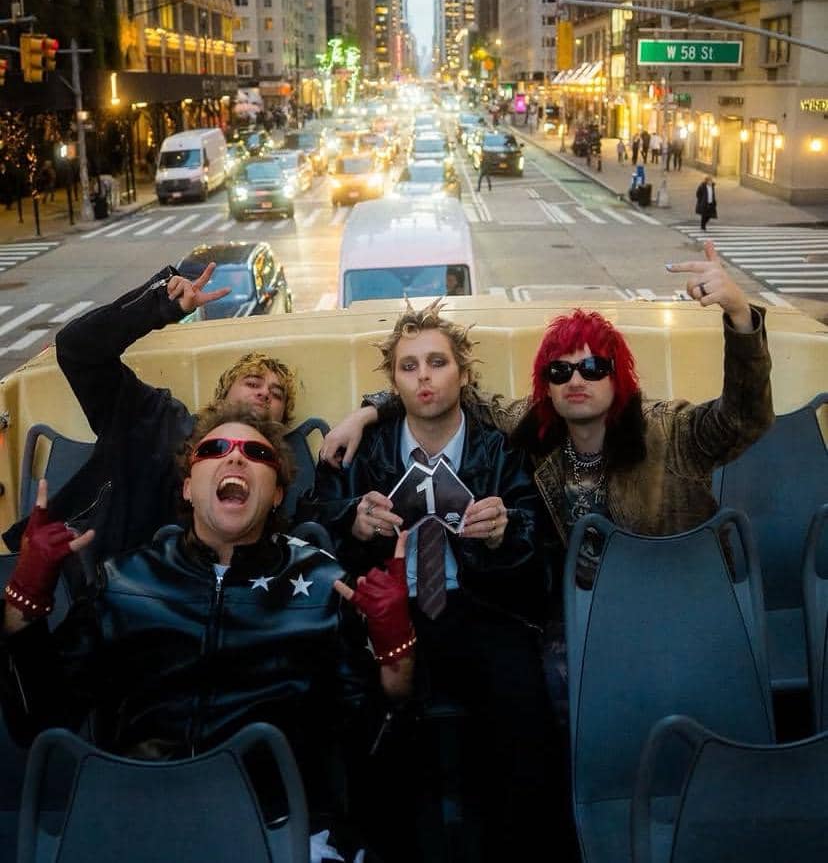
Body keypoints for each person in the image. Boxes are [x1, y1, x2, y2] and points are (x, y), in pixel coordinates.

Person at [321, 243, 773, 725]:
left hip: (673, 604)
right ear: (547, 385)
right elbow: (437, 395)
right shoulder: (534, 429)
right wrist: (367, 413)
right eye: (561, 370)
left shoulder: (671, 431)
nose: (577, 379)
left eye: (594, 367)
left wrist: (740, 316)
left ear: (619, 377)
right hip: (580, 616)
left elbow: (744, 418)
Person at [1, 401, 414, 861]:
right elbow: (37, 720)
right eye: (216, 448)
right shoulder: (124, 581)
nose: (236, 458)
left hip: (275, 821)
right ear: (189, 487)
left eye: (257, 455)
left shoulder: (323, 586)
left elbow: (371, 747)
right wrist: (25, 601)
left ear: (277, 493)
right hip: (141, 814)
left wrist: (394, 651)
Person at [305, 301, 570, 863]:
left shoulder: (498, 449)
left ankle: (523, 846)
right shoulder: (366, 448)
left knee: (522, 711)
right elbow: (311, 517)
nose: (423, 376)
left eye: (436, 362)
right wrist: (352, 516)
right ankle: (363, 841)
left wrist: (502, 535)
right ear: (393, 383)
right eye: (408, 367)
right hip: (387, 607)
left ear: (462, 373)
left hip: (476, 605)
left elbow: (536, 544)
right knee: (353, 705)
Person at [0, 265, 354, 572]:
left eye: (277, 395)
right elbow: (77, 349)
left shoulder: (288, 476)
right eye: (252, 383)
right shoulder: (154, 418)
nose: (264, 394)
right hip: (117, 586)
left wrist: (371, 411)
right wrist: (158, 306)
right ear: (222, 397)